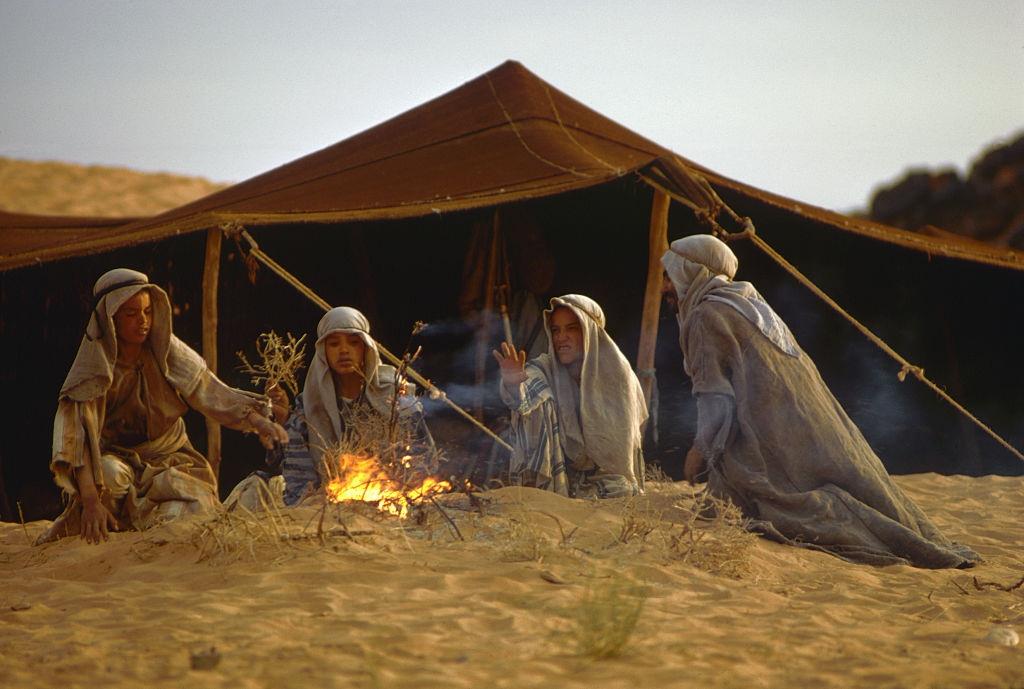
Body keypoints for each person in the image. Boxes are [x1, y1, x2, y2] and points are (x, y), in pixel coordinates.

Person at [661, 234, 980, 568]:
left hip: (775, 443)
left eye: (669, 277)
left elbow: (716, 399)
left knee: (790, 502)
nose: (665, 287)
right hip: (808, 431)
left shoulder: (705, 315)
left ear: (690, 272)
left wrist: (699, 451)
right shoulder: (749, 303)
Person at [38, 268, 287, 545]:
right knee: (108, 476)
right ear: (110, 319)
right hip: (117, 464)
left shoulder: (166, 350)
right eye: (131, 314)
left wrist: (259, 421)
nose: (142, 321)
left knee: (187, 514)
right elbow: (77, 442)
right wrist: (91, 501)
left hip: (171, 459)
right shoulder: (91, 370)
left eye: (146, 312)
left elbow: (209, 390)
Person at [242, 306, 435, 507]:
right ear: (323, 351)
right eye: (334, 344)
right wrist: (282, 421)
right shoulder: (309, 402)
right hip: (324, 500)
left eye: (353, 343)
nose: (344, 350)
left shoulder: (394, 395)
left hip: (389, 496)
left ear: (366, 348)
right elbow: (291, 470)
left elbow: (424, 458)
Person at [492, 294, 647, 498]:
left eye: (571, 328)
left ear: (590, 332)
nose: (560, 337)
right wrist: (513, 385)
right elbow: (525, 393)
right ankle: (543, 494)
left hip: (606, 478)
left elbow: (623, 446)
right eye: (555, 330)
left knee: (622, 489)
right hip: (562, 475)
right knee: (540, 401)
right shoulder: (546, 367)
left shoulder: (618, 375)